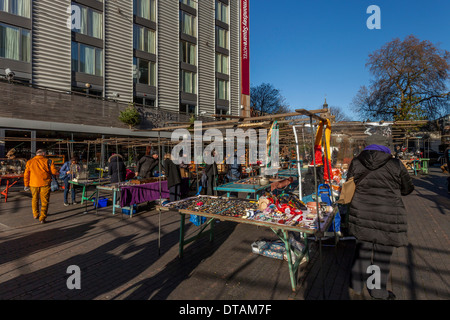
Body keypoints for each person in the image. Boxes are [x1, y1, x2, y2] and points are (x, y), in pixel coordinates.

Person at [347, 144, 414, 300]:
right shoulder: (395, 164)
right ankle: (377, 291)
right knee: (381, 256)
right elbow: (407, 189)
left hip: (362, 214)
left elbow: (349, 185)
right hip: (387, 216)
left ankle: (356, 284)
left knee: (362, 251)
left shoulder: (356, 162)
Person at [23, 149, 59, 224]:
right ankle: (42, 217)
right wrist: (57, 170)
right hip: (45, 184)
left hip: (33, 184)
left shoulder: (30, 162)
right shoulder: (49, 161)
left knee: (34, 199)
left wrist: (26, 184)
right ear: (43, 153)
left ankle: (35, 214)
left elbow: (26, 174)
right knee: (44, 201)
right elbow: (54, 172)